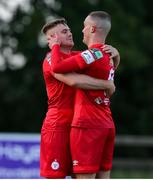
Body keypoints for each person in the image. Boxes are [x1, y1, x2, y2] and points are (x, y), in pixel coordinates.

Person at [48, 11, 119, 179]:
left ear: (93, 29)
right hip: (107, 123)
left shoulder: (92, 54)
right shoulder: (108, 54)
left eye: (84, 27)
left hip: (88, 124)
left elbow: (57, 67)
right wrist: (118, 54)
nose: (81, 31)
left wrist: (55, 46)